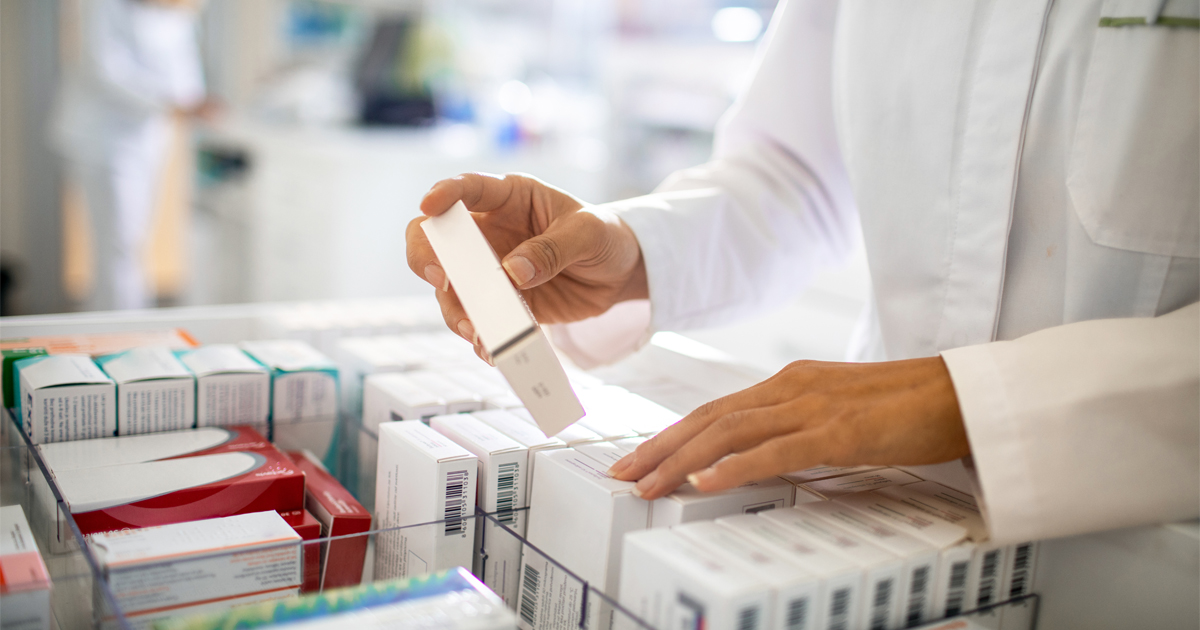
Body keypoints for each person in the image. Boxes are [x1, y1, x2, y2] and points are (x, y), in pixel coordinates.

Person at [407, 0, 1199, 545]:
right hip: (873, 510)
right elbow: (795, 174)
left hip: (1146, 541)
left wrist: (976, 400)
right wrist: (630, 250)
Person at [52, 0, 215, 311]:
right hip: (102, 138)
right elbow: (104, 70)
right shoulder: (101, 6)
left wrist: (195, 102)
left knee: (133, 242)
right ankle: (116, 330)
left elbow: (187, 73)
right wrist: (173, 103)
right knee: (119, 244)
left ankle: (123, 324)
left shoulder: (178, 15)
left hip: (149, 137)